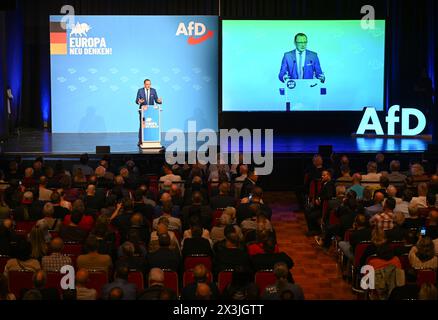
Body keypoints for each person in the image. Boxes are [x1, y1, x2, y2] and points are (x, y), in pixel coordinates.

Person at [135, 79, 162, 145]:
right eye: (147, 84)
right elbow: (136, 101)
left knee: (150, 125)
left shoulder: (153, 90)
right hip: (143, 111)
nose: (148, 85)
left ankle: (151, 139)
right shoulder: (140, 90)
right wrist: (139, 101)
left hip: (151, 112)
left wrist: (159, 101)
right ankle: (140, 140)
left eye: (149, 84)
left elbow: (156, 100)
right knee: (142, 125)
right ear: (144, 84)